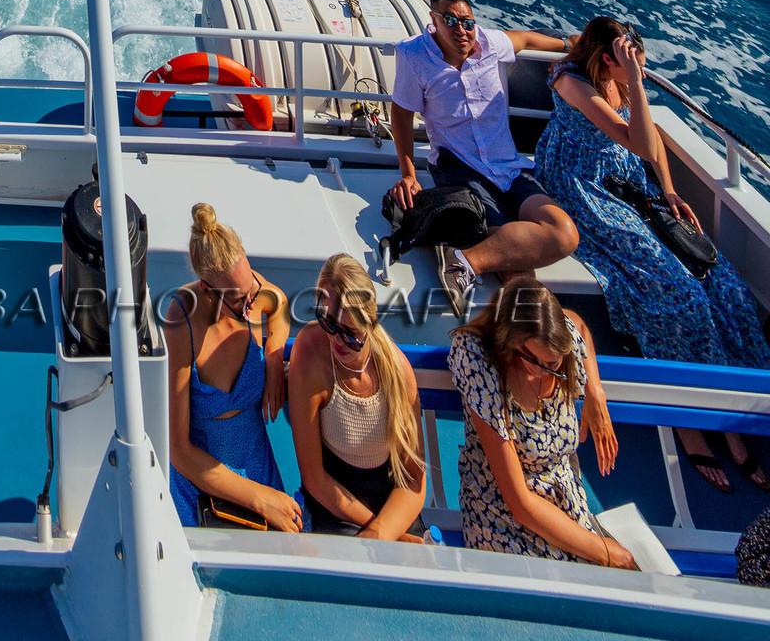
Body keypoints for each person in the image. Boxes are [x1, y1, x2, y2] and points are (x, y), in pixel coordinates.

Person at [537, 15, 770, 496]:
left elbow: (654, 145)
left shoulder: (619, 82)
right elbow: (637, 140)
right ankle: (686, 418)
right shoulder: (574, 84)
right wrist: (637, 79)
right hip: (587, 189)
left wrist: (667, 193)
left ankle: (729, 414)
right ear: (609, 58)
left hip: (629, 184)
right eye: (631, 59)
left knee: (723, 283)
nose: (639, 66)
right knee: (678, 294)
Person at [390, 0, 578, 317]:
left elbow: (527, 39)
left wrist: (567, 44)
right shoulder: (415, 56)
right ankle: (533, 328)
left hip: (508, 167)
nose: (461, 30)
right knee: (515, 263)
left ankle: (463, 260)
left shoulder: (490, 43)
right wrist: (408, 174)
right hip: (460, 167)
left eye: (467, 22)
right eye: (450, 21)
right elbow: (402, 115)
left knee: (564, 234)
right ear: (434, 21)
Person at [449, 275, 633, 566]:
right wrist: (605, 552)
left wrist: (595, 391)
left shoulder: (558, 345)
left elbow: (577, 324)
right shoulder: (479, 361)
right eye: (541, 364)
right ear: (511, 341)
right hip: (504, 518)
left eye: (556, 362)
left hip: (565, 511)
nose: (551, 372)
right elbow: (519, 504)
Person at [164, 203, 298, 532]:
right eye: (239, 300)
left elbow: (278, 302)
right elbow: (179, 451)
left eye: (251, 287)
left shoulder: (250, 289)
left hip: (256, 459)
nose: (251, 302)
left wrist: (272, 361)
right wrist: (260, 499)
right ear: (208, 292)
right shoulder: (182, 321)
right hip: (202, 478)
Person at [288, 253, 428, 541]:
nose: (336, 340)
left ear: (370, 322)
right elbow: (314, 478)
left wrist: (382, 530)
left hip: (392, 503)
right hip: (334, 502)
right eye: (328, 323)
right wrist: (379, 531)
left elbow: (413, 479)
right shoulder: (310, 353)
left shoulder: (398, 373)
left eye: (350, 333)